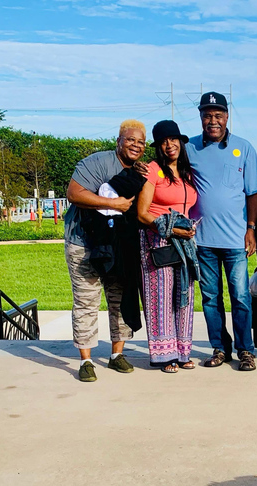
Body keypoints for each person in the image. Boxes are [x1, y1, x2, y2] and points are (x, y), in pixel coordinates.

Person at [63, 119, 147, 382]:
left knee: (119, 300)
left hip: (119, 246)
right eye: (131, 139)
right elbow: (74, 194)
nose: (136, 145)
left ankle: (116, 354)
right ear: (119, 141)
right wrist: (114, 204)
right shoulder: (96, 162)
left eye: (141, 142)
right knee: (86, 301)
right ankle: (86, 360)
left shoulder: (138, 171)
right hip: (83, 243)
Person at [186, 92, 257, 371]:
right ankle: (220, 347)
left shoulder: (243, 148)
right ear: (201, 117)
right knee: (210, 298)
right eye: (207, 115)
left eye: (218, 115)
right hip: (203, 240)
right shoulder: (189, 148)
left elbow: (253, 193)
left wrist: (251, 229)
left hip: (235, 241)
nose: (213, 120)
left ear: (227, 116)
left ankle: (245, 350)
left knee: (240, 297)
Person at [136, 120, 198, 373]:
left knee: (184, 296)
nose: (169, 145)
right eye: (163, 141)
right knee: (160, 298)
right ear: (158, 146)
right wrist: (171, 229)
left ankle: (182, 352)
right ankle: (164, 355)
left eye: (173, 139)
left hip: (185, 242)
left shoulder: (187, 173)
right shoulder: (153, 170)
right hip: (158, 239)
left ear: (181, 142)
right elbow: (142, 213)